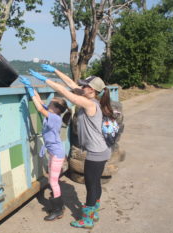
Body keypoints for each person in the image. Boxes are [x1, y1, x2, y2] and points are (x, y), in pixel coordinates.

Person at [29, 65, 114, 229]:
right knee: (95, 182)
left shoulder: (90, 104)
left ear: (92, 90)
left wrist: (44, 79)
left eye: (85, 86)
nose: (81, 88)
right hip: (100, 150)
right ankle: (94, 211)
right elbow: (69, 83)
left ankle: (88, 219)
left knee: (91, 185)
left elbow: (66, 92)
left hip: (96, 153)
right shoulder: (89, 96)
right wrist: (54, 71)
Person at [19, 76, 71, 221]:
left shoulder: (55, 118)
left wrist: (29, 90)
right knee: (51, 179)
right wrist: (32, 88)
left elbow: (40, 107)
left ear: (56, 108)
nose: (49, 103)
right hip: (53, 152)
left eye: (52, 103)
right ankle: (57, 206)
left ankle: (58, 209)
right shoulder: (53, 113)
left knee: (53, 182)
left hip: (57, 154)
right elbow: (41, 102)